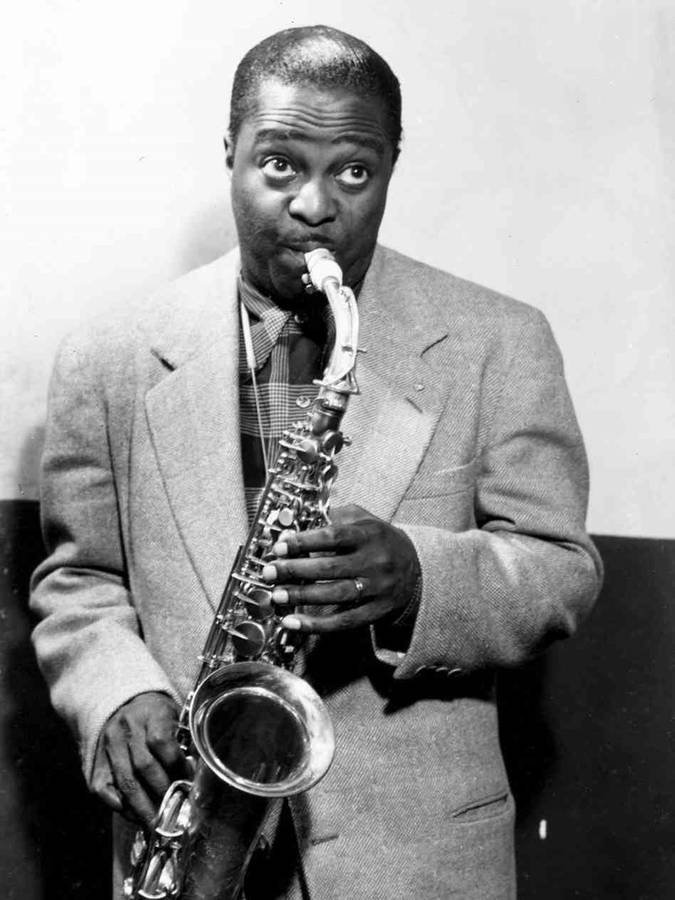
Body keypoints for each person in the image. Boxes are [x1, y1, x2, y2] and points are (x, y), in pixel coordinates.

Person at [30, 24, 603, 900]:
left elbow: (560, 568)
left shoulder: (501, 340)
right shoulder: (107, 355)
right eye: (278, 164)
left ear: (392, 166)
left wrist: (418, 577)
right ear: (229, 152)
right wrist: (113, 691)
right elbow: (80, 581)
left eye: (354, 172)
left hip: (414, 859)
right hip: (185, 832)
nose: (312, 206)